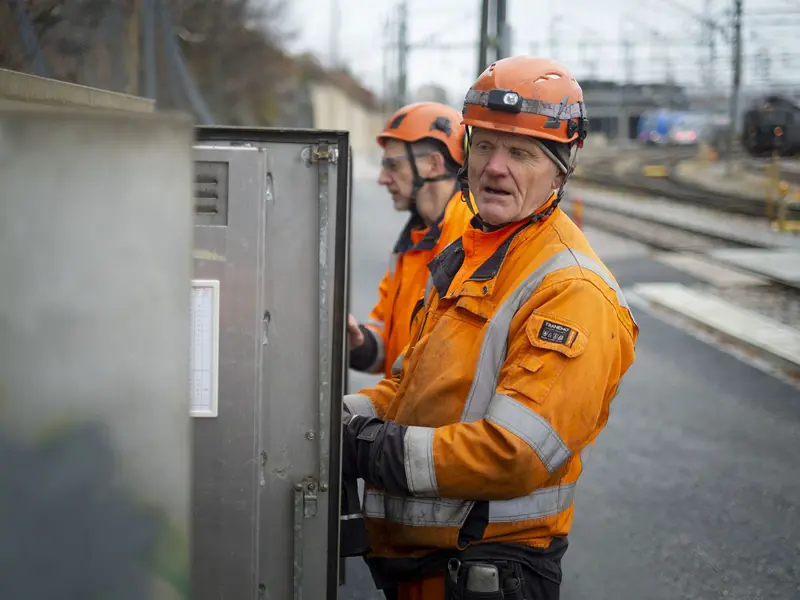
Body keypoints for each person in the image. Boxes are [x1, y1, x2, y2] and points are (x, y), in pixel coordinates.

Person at [341, 56, 639, 599]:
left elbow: (514, 452)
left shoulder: (570, 289)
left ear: (560, 166)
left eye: (520, 152)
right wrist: (330, 417)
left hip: (488, 574)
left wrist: (366, 449)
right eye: (484, 146)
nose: (494, 168)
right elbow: (408, 389)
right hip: (424, 568)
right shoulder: (468, 255)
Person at [348, 102, 475, 379]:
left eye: (393, 165)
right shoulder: (415, 239)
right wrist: (359, 343)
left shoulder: (472, 238)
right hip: (404, 416)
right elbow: (389, 338)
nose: (383, 179)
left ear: (433, 164)